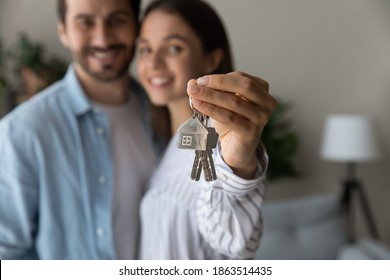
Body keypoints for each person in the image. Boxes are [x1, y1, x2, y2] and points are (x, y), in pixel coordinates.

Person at [0, 0, 273, 260]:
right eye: (85, 22)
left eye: (117, 19)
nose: (103, 37)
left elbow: (232, 236)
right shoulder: (21, 133)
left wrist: (237, 165)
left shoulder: (196, 132)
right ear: (64, 31)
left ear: (133, 25)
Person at [136, 0, 276, 259]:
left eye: (174, 47)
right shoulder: (163, 141)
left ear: (212, 59)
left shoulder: (217, 141)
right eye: (145, 49)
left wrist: (237, 164)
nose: (153, 61)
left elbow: (236, 241)